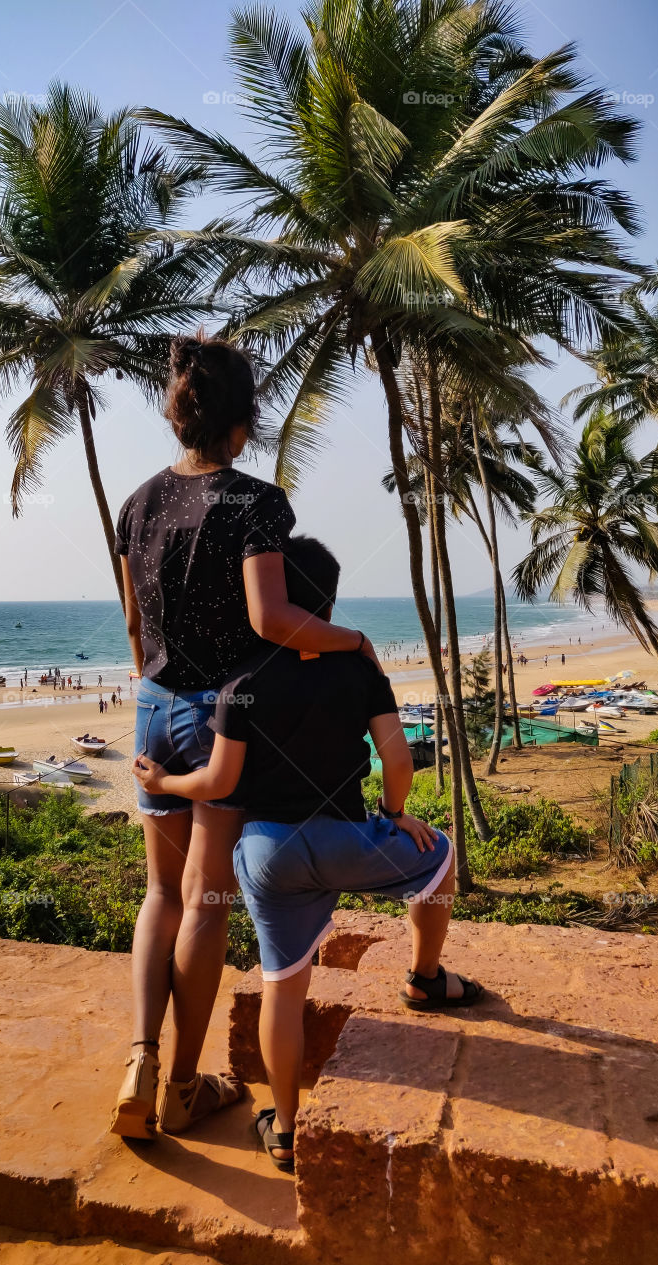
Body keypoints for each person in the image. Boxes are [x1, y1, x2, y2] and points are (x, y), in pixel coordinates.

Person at [133, 536, 483, 1171]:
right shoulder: (358, 669)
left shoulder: (241, 682)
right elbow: (397, 760)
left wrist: (161, 784)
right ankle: (427, 977)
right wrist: (396, 814)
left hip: (269, 854)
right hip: (347, 838)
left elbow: (215, 784)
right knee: (439, 863)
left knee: (282, 991)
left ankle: (287, 1129)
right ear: (325, 603)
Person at [110, 334, 383, 1142]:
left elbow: (133, 621)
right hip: (216, 713)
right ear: (242, 423)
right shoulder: (257, 504)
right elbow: (271, 617)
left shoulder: (137, 503)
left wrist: (153, 680)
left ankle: (138, 1057)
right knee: (206, 901)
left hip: (153, 708)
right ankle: (184, 1086)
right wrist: (351, 642)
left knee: (158, 894)